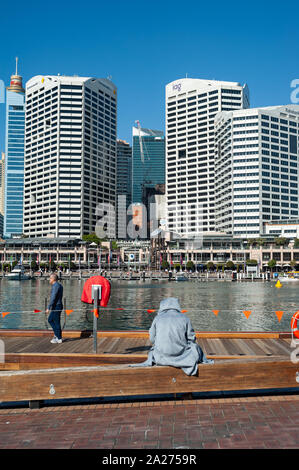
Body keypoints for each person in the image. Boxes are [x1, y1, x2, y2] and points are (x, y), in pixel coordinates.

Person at [129, 297, 213, 376]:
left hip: (161, 356)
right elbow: (192, 339)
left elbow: (152, 339)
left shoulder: (157, 318)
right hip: (182, 356)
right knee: (196, 347)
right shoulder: (185, 318)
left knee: (154, 349)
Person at [46, 273, 63, 344]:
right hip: (57, 305)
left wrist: (48, 307)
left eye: (50, 278)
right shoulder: (59, 285)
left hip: (56, 306)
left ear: (53, 279)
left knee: (52, 320)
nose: (49, 280)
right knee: (53, 320)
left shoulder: (55, 286)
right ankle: (57, 335)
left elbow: (53, 297)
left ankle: (58, 337)